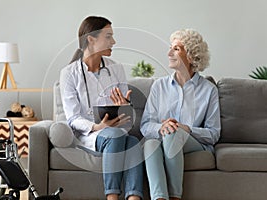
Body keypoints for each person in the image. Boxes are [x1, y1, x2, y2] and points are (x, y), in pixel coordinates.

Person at [59, 16, 143, 200]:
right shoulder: (69, 74)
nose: (114, 41)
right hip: (89, 135)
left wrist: (124, 107)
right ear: (91, 39)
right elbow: (73, 118)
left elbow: (126, 114)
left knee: (134, 143)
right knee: (117, 135)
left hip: (116, 131)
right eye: (108, 36)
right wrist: (98, 127)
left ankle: (134, 198)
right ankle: (111, 197)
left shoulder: (116, 68)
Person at [140, 29, 221, 200]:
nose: (169, 53)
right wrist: (162, 127)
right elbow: (146, 125)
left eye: (176, 49)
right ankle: (160, 198)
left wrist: (185, 129)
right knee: (150, 145)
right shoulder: (158, 86)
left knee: (173, 133)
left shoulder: (209, 90)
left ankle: (175, 197)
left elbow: (213, 134)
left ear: (192, 56)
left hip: (195, 143)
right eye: (171, 48)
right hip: (164, 139)